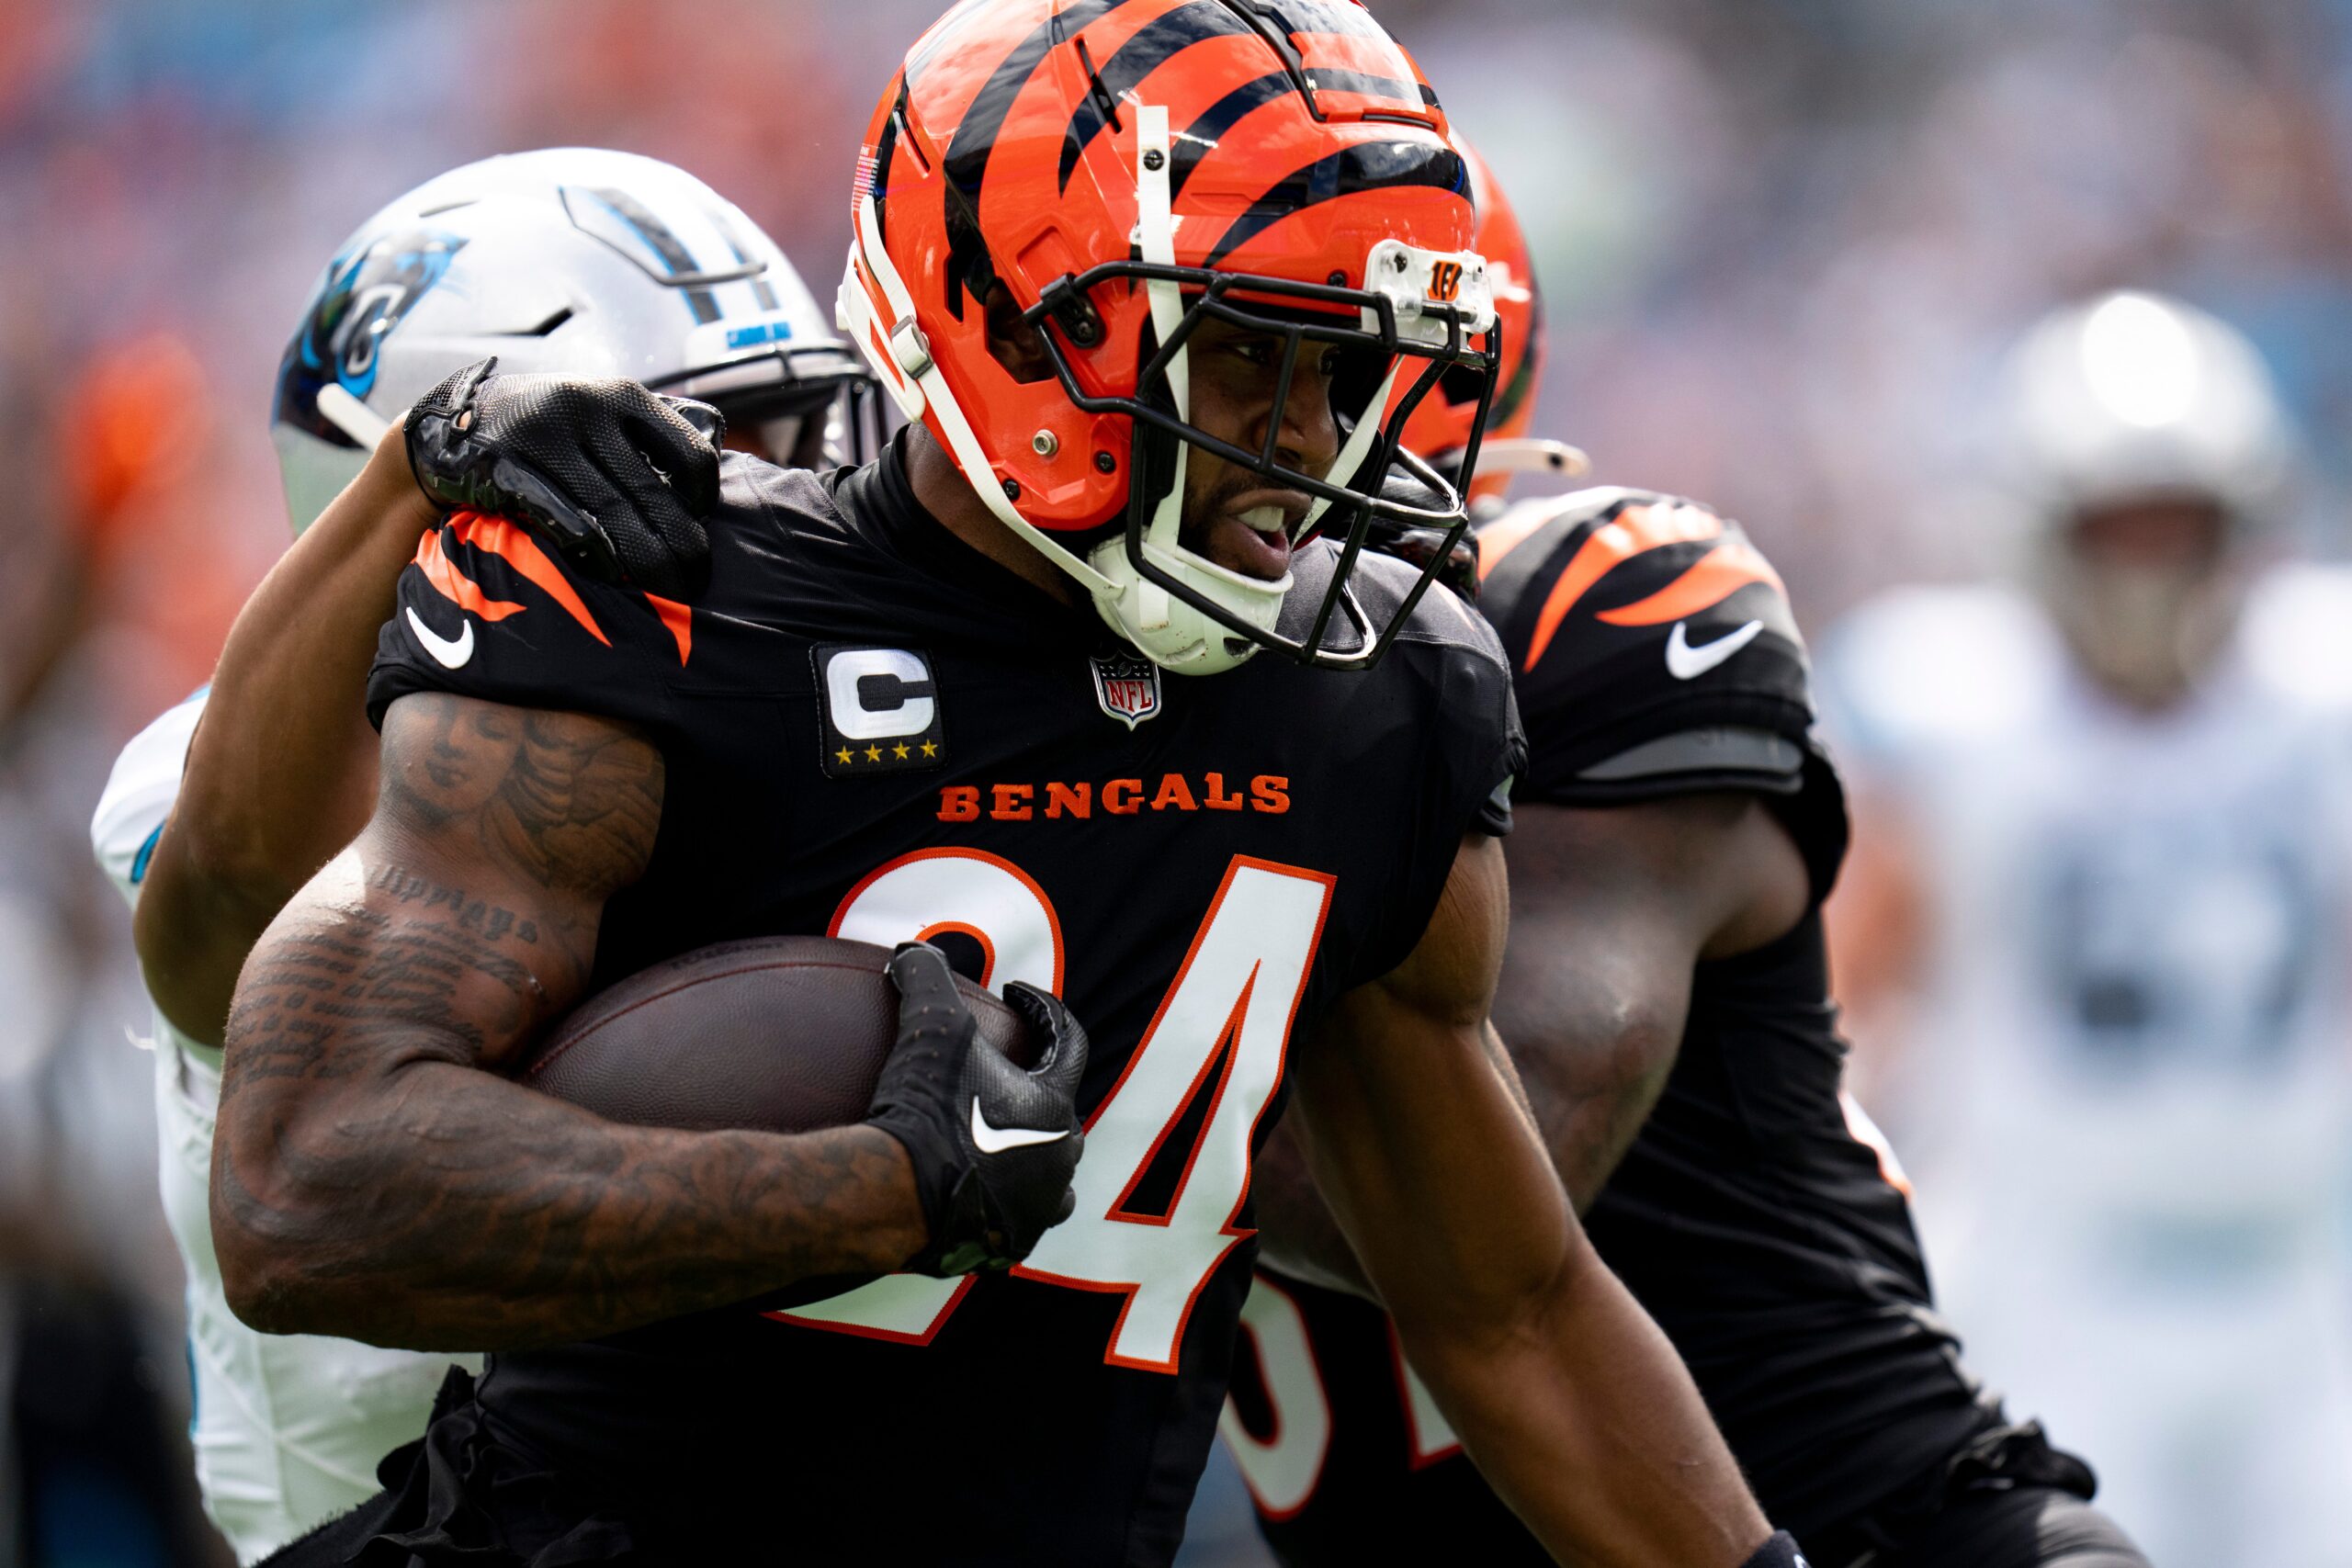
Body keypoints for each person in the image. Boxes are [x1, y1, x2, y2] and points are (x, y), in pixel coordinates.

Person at [214, 6, 1803, 1565]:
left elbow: (1508, 1306)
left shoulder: (1374, 698)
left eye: (1351, 365)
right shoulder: (664, 596)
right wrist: (863, 1191)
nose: (1313, 436)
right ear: (1030, 315)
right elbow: (302, 1191)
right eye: (1252, 350)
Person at [1218, 137, 2149, 1568]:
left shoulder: (1590, 621)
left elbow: (1495, 1170)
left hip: (1861, 1531)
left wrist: (1045, 1048)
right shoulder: (1074, 715)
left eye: (1267, 355)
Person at [88, 146, 874, 1564]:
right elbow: (232, 921)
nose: (778, 497)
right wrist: (422, 469)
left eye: (800, 434)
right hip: (398, 1527)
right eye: (702, 448)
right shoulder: (200, 781)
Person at [1819, 289, 2352, 1567]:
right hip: (2052, 1271)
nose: (2148, 569)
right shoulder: (1951, 712)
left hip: (2309, 1271)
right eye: (2117, 530)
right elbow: (1844, 1004)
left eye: (2178, 528)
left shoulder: (2319, 696)